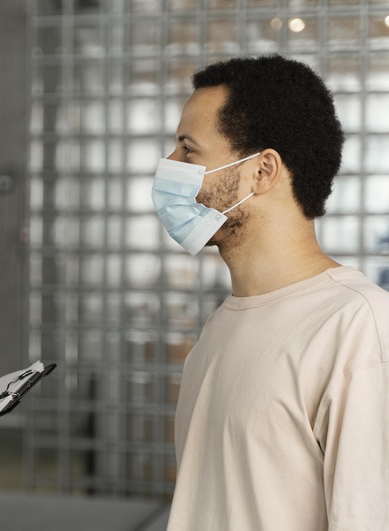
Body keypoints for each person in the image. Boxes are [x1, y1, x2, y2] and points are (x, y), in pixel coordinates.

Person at [153, 55, 389, 530]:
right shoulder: (222, 325)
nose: (168, 166)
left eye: (187, 148)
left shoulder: (359, 327)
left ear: (262, 171)